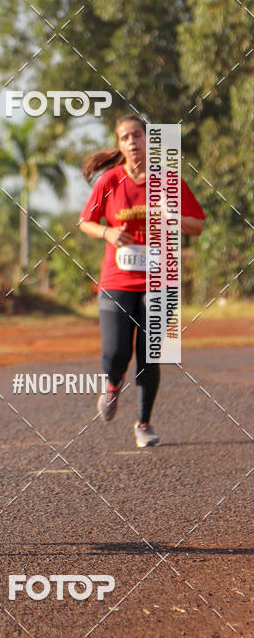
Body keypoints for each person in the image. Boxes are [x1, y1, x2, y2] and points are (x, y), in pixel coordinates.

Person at [78, 115, 205, 447]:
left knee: (149, 353)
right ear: (119, 145)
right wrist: (107, 232)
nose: (132, 142)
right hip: (117, 278)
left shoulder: (169, 181)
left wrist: (173, 215)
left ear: (149, 140)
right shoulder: (110, 181)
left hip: (161, 280)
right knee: (116, 353)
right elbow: (85, 222)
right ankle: (112, 385)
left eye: (137, 135)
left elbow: (197, 226)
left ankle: (144, 424)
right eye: (125, 137)